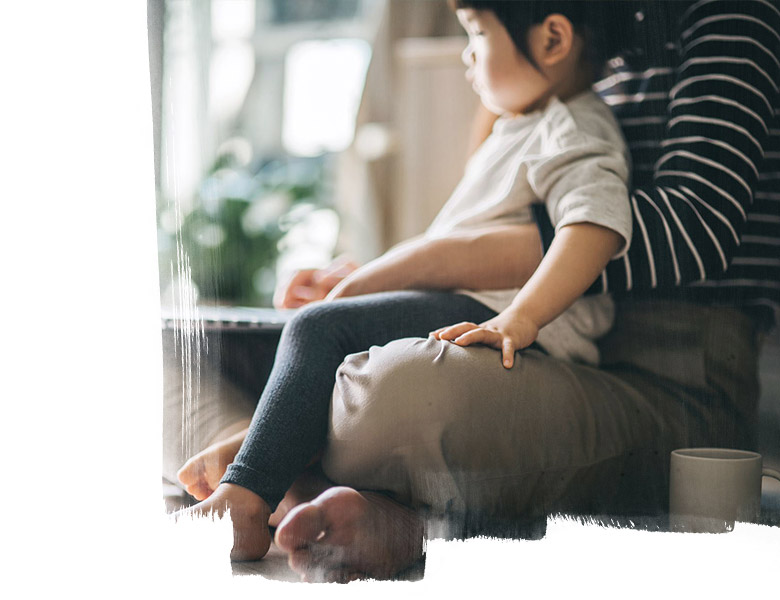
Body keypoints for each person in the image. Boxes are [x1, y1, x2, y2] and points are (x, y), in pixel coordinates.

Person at [175, 0, 780, 582]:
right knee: (181, 354)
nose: (468, 56)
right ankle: (307, 476)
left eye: (477, 36)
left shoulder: (596, 108)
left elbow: (653, 225)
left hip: (649, 370)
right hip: (514, 331)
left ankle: (268, 480)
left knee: (379, 382)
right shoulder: (543, 100)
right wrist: (376, 279)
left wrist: (503, 306)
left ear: (553, 40)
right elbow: (474, 231)